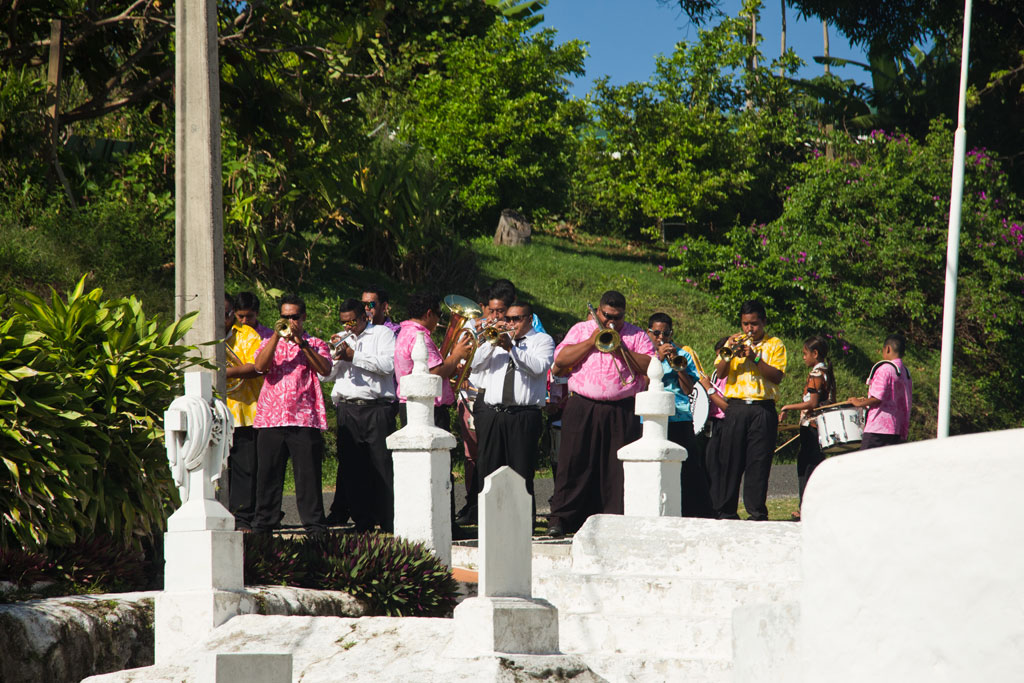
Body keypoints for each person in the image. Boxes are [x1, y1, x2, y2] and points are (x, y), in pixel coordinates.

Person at [547, 290, 655, 537]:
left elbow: (651, 366)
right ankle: (562, 518)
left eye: (617, 317)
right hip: (582, 406)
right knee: (573, 463)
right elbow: (560, 360)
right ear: (598, 310)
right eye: (606, 316)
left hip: (621, 410)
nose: (611, 322)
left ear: (624, 315)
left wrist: (620, 348)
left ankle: (612, 520)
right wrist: (591, 341)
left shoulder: (636, 334)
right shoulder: (581, 329)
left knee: (615, 469)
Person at [251, 294, 333, 535]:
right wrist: (277, 336)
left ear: (303, 317)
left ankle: (315, 527)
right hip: (270, 419)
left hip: (303, 418)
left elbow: (325, 369)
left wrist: (302, 344)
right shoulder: (268, 342)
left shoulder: (316, 343)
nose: (289, 320)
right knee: (268, 475)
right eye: (285, 317)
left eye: (294, 317)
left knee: (308, 477)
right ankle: (263, 525)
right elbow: (259, 367)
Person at [394, 291, 473, 538]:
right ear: (428, 314)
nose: (440, 320)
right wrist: (457, 355)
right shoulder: (420, 336)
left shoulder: (403, 333)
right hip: (429, 409)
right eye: (439, 315)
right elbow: (437, 372)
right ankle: (446, 524)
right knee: (438, 467)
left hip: (412, 405)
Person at [320, 298, 398, 532]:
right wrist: (334, 357)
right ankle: (362, 521)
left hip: (376, 407)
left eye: (352, 321)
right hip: (347, 407)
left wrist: (353, 356)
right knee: (352, 467)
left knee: (381, 466)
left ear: (365, 315)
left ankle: (388, 520)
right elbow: (326, 377)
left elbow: (387, 366)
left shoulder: (382, 334)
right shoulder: (341, 337)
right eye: (344, 322)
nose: (348, 327)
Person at [470, 301, 554, 518]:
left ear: (529, 319)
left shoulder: (542, 341)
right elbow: (475, 365)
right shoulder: (495, 341)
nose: (510, 323)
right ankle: (489, 520)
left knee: (521, 471)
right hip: (494, 414)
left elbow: (537, 368)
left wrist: (511, 349)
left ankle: (523, 522)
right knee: (488, 469)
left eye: (516, 319)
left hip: (524, 415)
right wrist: (490, 344)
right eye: (508, 319)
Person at [708, 300, 787, 521]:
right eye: (745, 324)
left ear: (763, 322)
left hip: (763, 408)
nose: (749, 329)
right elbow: (721, 373)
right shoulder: (734, 342)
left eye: (753, 324)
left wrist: (754, 357)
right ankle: (726, 511)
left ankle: (756, 512)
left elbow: (777, 376)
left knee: (758, 462)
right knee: (730, 460)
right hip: (736, 407)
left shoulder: (775, 344)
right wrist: (729, 352)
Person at [646, 313, 714, 518]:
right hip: (654, 417)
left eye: (665, 333)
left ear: (671, 333)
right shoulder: (645, 353)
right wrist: (657, 357)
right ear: (649, 332)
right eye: (656, 333)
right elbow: (640, 381)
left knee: (688, 466)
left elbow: (689, 390)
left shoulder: (683, 354)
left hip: (680, 416)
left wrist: (678, 368)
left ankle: (697, 512)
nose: (661, 337)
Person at [779, 335, 836, 516]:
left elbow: (811, 403)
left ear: (815, 353)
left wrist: (787, 407)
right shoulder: (826, 371)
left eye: (805, 354)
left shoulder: (816, 374)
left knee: (806, 467)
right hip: (821, 426)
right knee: (815, 465)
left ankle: (805, 508)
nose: (803, 357)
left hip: (811, 426)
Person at [223, 293, 264, 531]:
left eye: (228, 314)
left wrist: (225, 372)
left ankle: (243, 518)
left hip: (245, 411)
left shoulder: (248, 335)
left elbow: (255, 367)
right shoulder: (206, 334)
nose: (224, 319)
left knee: (244, 468)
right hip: (217, 409)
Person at [848, 334, 913, 449]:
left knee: (865, 462)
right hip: (896, 428)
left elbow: (877, 398)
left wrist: (858, 402)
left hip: (877, 428)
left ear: (887, 349)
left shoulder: (885, 369)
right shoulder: (905, 372)